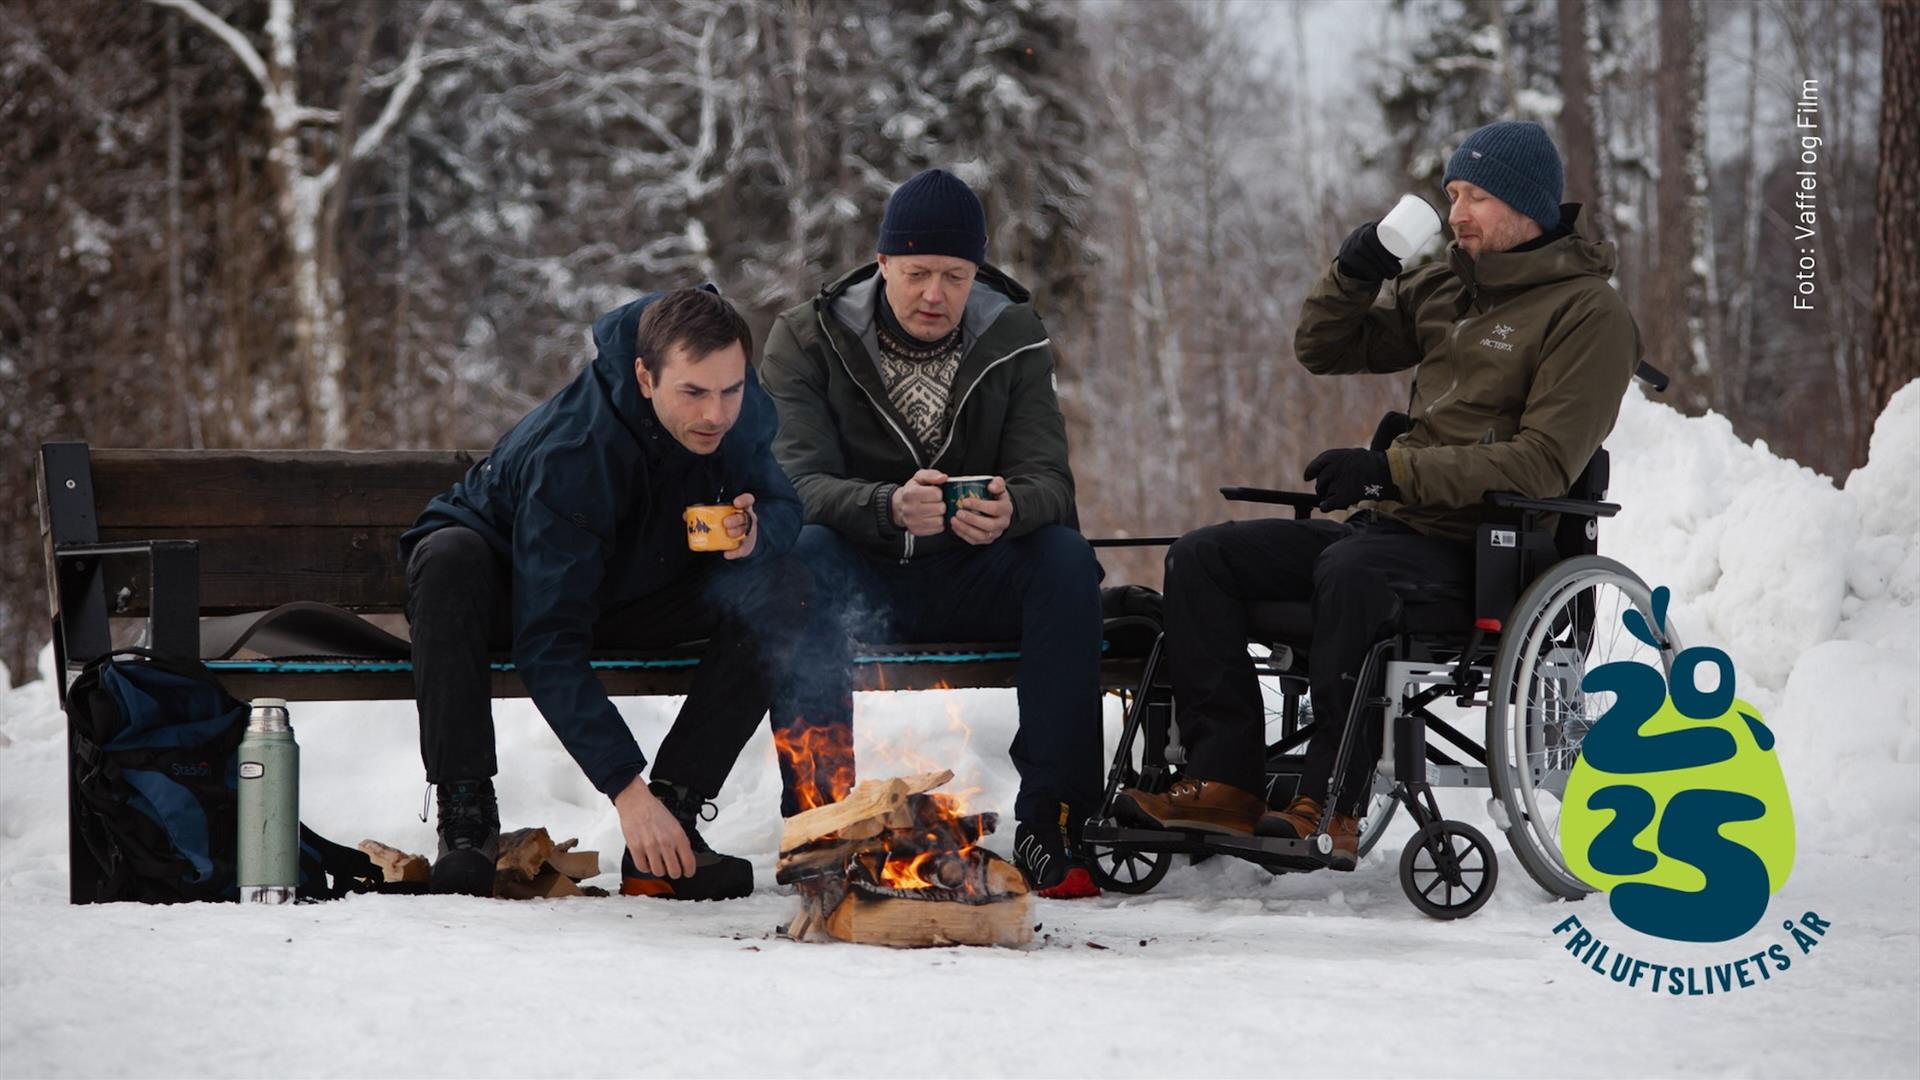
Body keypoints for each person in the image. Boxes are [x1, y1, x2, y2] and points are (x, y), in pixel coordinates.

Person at [1121, 121, 1639, 867]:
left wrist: (1388, 470)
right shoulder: (1448, 286)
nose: (1458, 213)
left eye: (1479, 197)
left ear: (1530, 208)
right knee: (1204, 559)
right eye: (1454, 193)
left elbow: (1542, 464)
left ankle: (1328, 804)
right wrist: (1356, 268)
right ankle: (1225, 783)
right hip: (1388, 530)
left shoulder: (1587, 314)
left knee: (1351, 574)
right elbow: (1323, 348)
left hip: (1485, 550)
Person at [760, 168, 1105, 899]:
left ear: (977, 272)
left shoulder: (1014, 334)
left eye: (954, 276)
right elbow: (793, 487)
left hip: (973, 571)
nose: (934, 295)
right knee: (800, 557)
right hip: (858, 575)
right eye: (916, 273)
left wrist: (1015, 509)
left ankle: (1055, 825)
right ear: (880, 263)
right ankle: (822, 821)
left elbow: (1050, 479)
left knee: (1066, 560)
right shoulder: (805, 339)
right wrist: (883, 506)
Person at [400, 286, 810, 899]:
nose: (717, 415)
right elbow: (547, 641)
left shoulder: (737, 404)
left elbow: (782, 501)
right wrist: (625, 788)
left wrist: (756, 531)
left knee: (787, 583)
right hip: (516, 591)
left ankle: (673, 824)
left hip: (636, 584)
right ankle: (467, 817)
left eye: (730, 390)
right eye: (693, 393)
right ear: (645, 377)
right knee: (448, 559)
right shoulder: (575, 453)